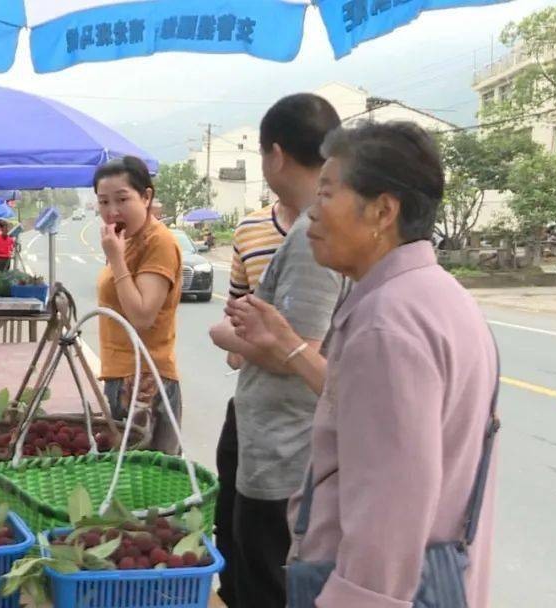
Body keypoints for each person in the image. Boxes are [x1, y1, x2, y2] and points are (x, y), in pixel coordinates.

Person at [226, 121, 499, 607]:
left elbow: (387, 518)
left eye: (327, 194)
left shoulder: (387, 326)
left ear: (382, 210)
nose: (312, 212)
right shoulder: (435, 296)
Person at [208, 93, 344, 608]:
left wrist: (228, 336)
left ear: (276, 155)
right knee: (247, 570)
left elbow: (297, 349)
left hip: (286, 454)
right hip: (267, 440)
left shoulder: (315, 238)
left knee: (266, 582)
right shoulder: (300, 230)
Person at [94, 156, 183, 454]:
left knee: (146, 483)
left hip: (144, 380)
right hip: (123, 375)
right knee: (127, 481)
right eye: (103, 202)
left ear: (146, 197)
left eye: (122, 199)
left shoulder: (157, 242)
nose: (112, 211)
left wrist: (116, 260)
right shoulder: (127, 238)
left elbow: (142, 315)